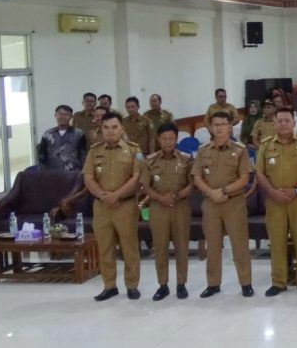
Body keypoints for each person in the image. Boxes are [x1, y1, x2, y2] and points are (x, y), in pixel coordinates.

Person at [254, 108, 297, 297]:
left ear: (294, 123)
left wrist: (296, 190)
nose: (283, 124)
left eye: (287, 121)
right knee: (277, 241)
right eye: (279, 121)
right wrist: (273, 192)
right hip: (274, 200)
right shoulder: (266, 145)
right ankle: (278, 282)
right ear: (274, 123)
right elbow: (259, 173)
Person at [83, 112, 143, 301]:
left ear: (122, 128)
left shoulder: (134, 150)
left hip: (126, 205)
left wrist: (116, 195)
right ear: (101, 129)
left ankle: (132, 285)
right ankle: (109, 286)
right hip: (102, 207)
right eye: (106, 128)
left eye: (114, 127)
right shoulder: (94, 151)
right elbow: (88, 178)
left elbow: (137, 178)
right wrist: (103, 195)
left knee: (129, 247)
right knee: (105, 248)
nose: (110, 131)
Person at [192, 112, 253, 298]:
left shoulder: (240, 150)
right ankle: (213, 283)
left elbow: (244, 178)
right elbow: (197, 177)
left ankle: (245, 283)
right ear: (210, 127)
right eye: (215, 124)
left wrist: (224, 191)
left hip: (234, 203)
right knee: (213, 245)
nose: (219, 128)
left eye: (223, 124)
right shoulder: (203, 150)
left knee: (239, 245)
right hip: (211, 203)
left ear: (229, 127)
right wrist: (211, 193)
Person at [140, 124, 194, 301]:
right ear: (158, 139)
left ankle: (181, 284)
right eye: (164, 139)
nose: (168, 142)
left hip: (181, 206)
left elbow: (193, 183)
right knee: (160, 247)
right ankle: (162, 285)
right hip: (158, 207)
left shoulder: (186, 159)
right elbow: (145, 186)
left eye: (171, 138)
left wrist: (178, 196)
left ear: (176, 139)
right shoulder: (149, 161)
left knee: (181, 246)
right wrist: (159, 198)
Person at [38, 105, 87, 172]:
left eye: (66, 114)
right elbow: (42, 156)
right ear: (55, 115)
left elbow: (83, 155)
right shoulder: (47, 134)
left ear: (71, 117)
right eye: (60, 114)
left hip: (73, 173)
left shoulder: (78, 133)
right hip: (52, 173)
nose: (63, 117)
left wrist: (83, 172)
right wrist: (42, 173)